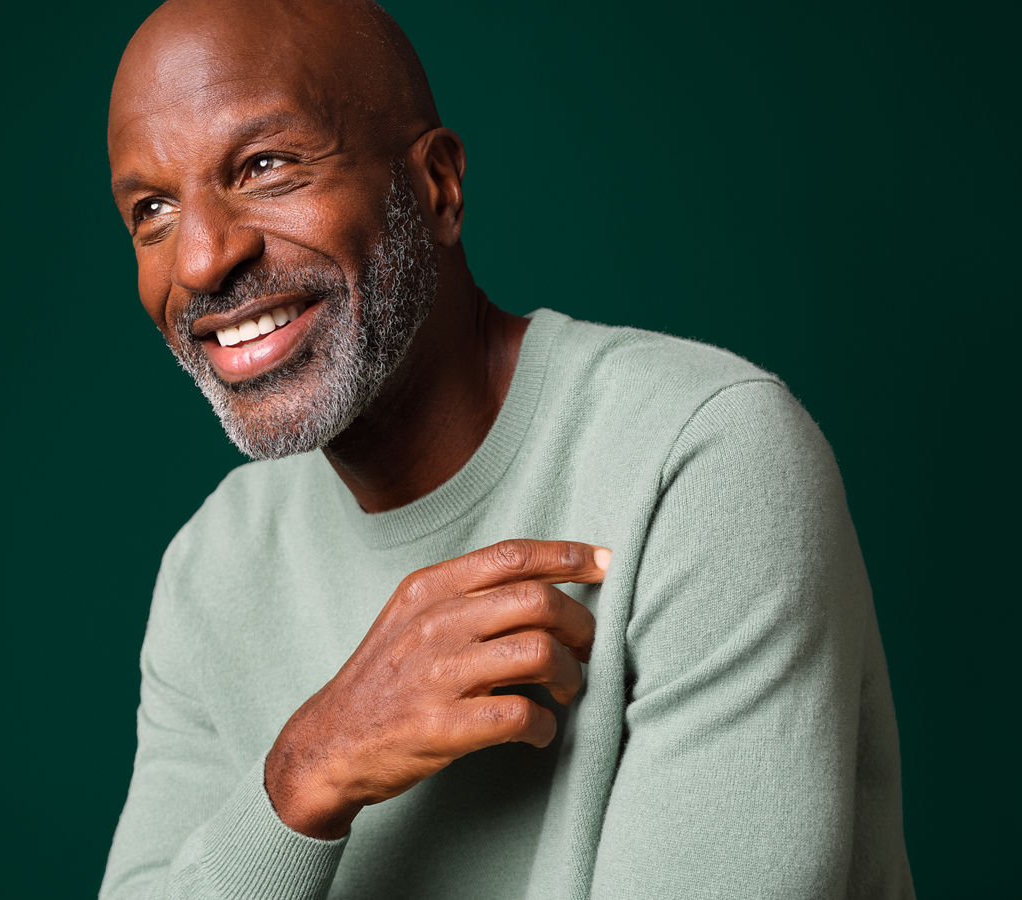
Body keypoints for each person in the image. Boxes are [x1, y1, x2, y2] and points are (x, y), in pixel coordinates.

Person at [100, 0, 914, 896]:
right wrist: (307, 773)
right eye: (153, 210)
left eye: (264, 166)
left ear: (438, 187)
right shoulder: (210, 567)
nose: (203, 260)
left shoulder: (701, 456)